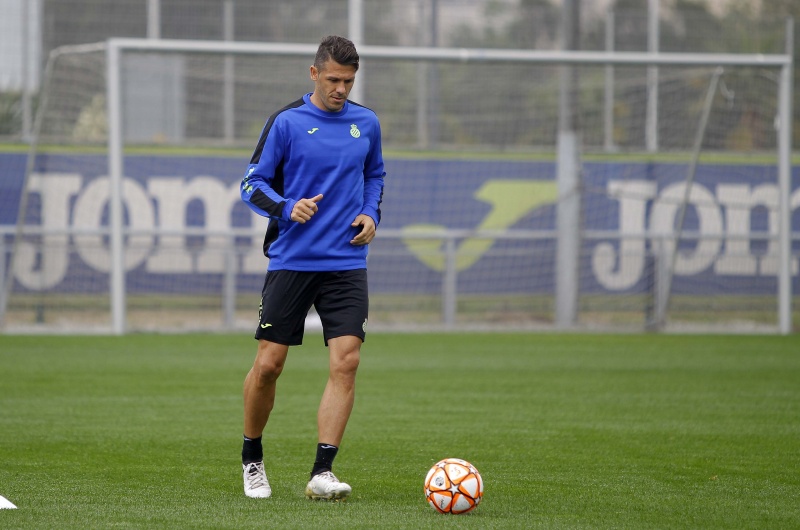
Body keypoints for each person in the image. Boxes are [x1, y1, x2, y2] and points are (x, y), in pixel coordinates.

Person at [238, 35, 385, 501]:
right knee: (268, 366)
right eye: (334, 80)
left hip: (346, 262)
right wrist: (287, 207)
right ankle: (252, 458)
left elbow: (375, 175)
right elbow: (251, 184)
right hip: (293, 260)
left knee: (348, 361)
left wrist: (371, 213)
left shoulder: (367, 122)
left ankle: (323, 472)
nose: (341, 89)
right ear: (314, 73)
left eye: (349, 81)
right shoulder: (286, 122)